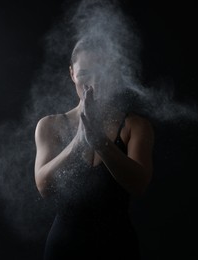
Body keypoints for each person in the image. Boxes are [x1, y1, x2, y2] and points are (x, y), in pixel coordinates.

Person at [34, 39, 154, 260]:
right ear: (72, 74)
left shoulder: (135, 126)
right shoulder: (50, 125)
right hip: (64, 248)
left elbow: (139, 185)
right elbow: (43, 186)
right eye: (85, 73)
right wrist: (79, 141)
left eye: (102, 72)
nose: (94, 83)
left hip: (117, 246)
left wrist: (100, 143)